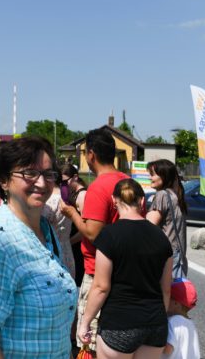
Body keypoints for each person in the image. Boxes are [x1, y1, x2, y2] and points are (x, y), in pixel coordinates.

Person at [0, 136, 76, 358]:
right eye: (29, 173)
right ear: (4, 181)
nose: (42, 183)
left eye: (48, 174)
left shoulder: (45, 230)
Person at [78, 178, 173, 358]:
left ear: (114, 201)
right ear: (142, 201)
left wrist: (85, 323)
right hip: (154, 324)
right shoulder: (162, 238)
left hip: (119, 323)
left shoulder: (109, 235)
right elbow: (166, 290)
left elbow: (101, 287)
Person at [60, 127, 128, 353]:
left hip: (97, 272)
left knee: (90, 342)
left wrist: (72, 213)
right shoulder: (128, 181)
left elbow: (92, 233)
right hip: (125, 269)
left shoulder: (98, 187)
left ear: (91, 154)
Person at [146, 159, 188, 278]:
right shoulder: (175, 195)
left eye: (153, 174)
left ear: (164, 176)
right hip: (177, 254)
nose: (150, 177)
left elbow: (148, 227)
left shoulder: (162, 195)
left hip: (166, 255)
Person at [62, 163, 87, 286]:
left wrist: (68, 241)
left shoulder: (82, 195)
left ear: (75, 177)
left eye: (65, 181)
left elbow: (85, 229)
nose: (63, 185)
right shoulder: (73, 193)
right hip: (73, 245)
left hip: (78, 247)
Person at [163, 278, 200, 359]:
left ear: (176, 303)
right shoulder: (191, 324)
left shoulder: (174, 321)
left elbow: (168, 349)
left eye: (168, 297)